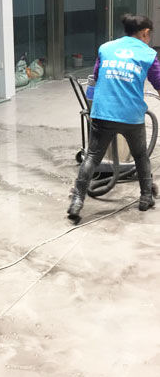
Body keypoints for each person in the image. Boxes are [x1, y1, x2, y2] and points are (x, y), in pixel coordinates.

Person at [68, 13, 160, 222]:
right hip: (131, 115)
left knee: (92, 157)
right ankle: (146, 198)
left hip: (103, 113)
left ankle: (77, 202)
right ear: (145, 33)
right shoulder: (148, 54)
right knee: (140, 156)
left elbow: (96, 77)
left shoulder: (106, 48)